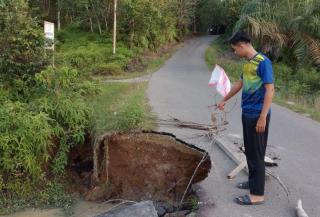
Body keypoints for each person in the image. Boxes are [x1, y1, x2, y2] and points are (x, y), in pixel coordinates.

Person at [217, 31, 274, 205]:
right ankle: (253, 181)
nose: (235, 52)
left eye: (235, 49)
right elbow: (240, 84)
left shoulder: (263, 62)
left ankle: (257, 195)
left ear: (242, 45)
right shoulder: (249, 63)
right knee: (249, 151)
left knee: (257, 154)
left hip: (258, 115)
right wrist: (224, 99)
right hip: (247, 113)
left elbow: (270, 90)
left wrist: (263, 116)